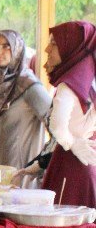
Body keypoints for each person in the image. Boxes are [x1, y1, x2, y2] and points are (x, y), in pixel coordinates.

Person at [39, 21, 96, 207]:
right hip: (89, 163)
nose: (47, 49)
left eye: (54, 44)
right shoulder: (89, 80)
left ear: (72, 47)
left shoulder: (70, 83)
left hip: (69, 164)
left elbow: (57, 125)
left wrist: (71, 143)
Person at [0, 30, 51, 170]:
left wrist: (40, 165)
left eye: (6, 46)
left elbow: (57, 128)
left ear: (17, 49)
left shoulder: (29, 85)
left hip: (20, 174)